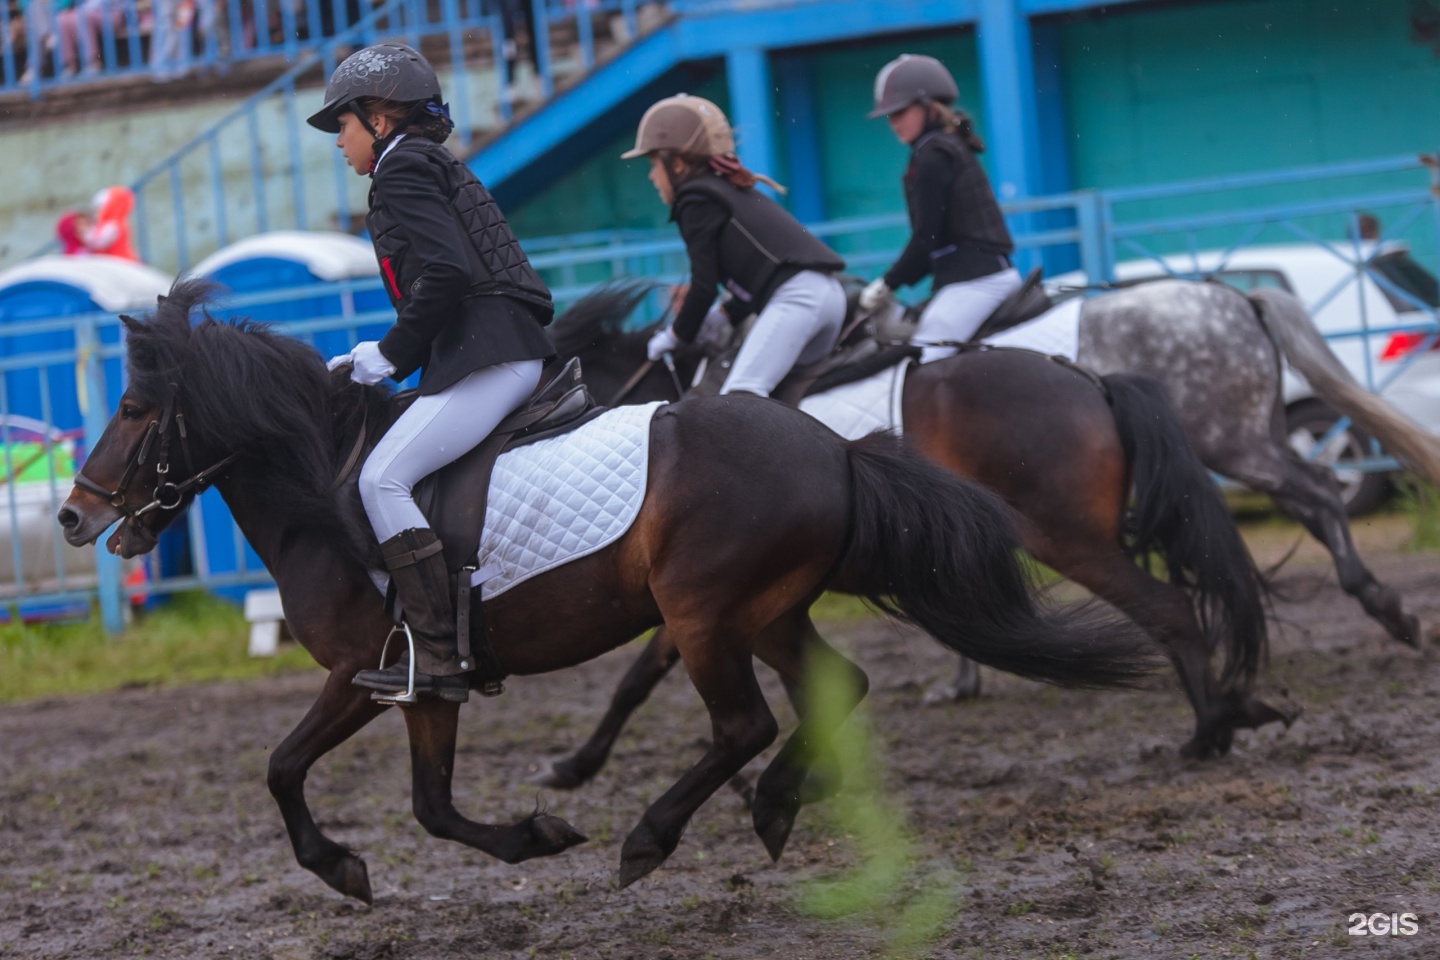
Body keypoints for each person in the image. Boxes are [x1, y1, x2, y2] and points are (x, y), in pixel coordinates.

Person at [306, 42, 556, 703]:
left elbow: (446, 274)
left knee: (381, 480)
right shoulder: (423, 162)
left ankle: (439, 656)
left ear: (380, 120)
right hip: (493, 347)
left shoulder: (401, 169)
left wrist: (388, 354)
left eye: (344, 125)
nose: (339, 143)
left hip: (490, 353)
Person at [623, 94, 846, 397]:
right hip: (829, 295)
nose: (651, 176)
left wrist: (675, 336)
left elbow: (703, 286)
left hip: (799, 300)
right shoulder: (723, 189)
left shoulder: (694, 200)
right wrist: (726, 314)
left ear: (675, 164)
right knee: (791, 396)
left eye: (653, 164)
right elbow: (759, 271)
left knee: (739, 399)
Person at [859, 54, 1020, 364]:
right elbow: (934, 242)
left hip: (977, 281)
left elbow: (926, 237)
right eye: (889, 116)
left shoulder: (933, 156)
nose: (893, 123)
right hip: (974, 276)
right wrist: (894, 282)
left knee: (926, 358)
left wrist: (888, 282)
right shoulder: (940, 147)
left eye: (901, 112)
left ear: (930, 106)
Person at [84, 185, 139, 260]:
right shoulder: (108, 224)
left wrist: (85, 233)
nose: (96, 214)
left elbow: (98, 242)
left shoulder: (114, 225)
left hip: (118, 261)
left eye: (98, 209)